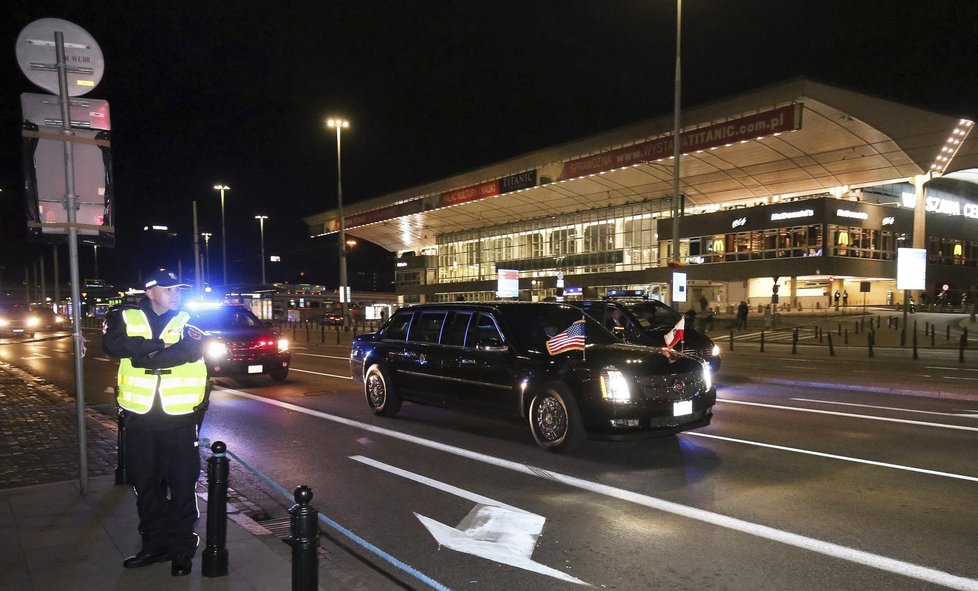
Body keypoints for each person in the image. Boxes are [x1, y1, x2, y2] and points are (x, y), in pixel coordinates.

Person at [102, 269, 208, 577]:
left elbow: (189, 351)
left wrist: (143, 353)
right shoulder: (126, 315)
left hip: (180, 419)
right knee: (145, 486)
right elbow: (112, 345)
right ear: (150, 292)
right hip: (140, 419)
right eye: (169, 289)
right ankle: (153, 546)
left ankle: (181, 550)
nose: (177, 294)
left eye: (179, 289)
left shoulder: (190, 319)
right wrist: (158, 349)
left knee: (182, 487)